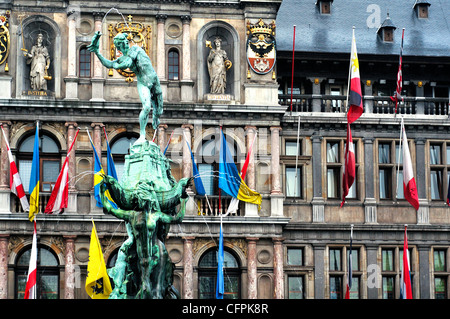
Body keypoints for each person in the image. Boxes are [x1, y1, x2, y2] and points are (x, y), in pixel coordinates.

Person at [87, 32, 163, 143]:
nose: (126, 44)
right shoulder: (122, 59)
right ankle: (142, 135)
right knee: (146, 107)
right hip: (143, 83)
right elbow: (108, 64)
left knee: (159, 109)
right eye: (123, 44)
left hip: (154, 80)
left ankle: (156, 117)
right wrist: (97, 52)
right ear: (119, 47)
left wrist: (117, 66)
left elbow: (128, 62)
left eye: (126, 42)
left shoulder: (135, 49)